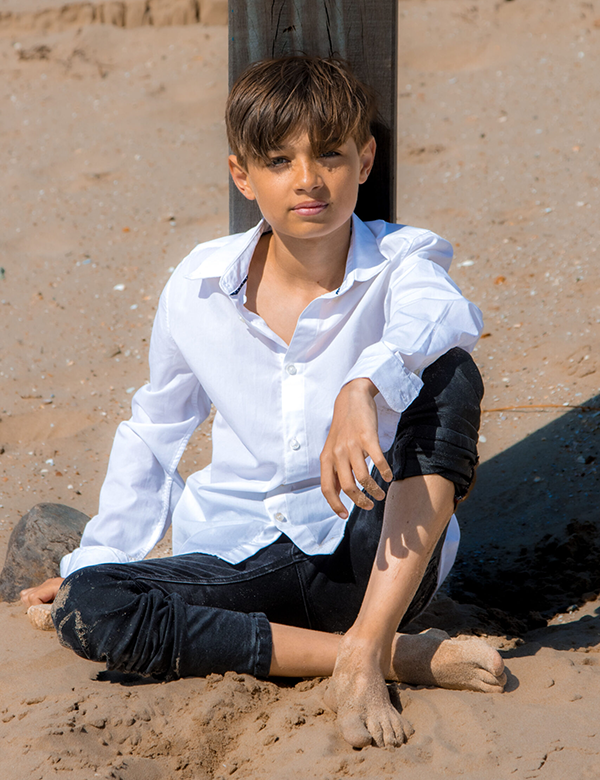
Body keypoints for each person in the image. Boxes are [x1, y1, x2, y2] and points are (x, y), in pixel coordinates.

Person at [21, 56, 506, 749]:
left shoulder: (404, 261)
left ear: (364, 160)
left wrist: (360, 386)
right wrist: (90, 563)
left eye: (331, 155)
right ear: (242, 176)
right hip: (235, 557)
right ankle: (386, 656)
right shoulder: (196, 287)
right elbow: (155, 430)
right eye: (279, 161)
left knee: (448, 371)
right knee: (93, 606)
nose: (309, 180)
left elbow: (445, 317)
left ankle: (368, 638)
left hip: (369, 556)